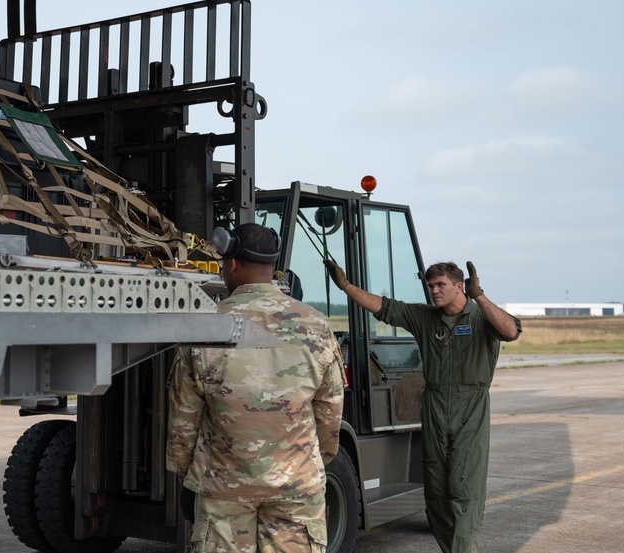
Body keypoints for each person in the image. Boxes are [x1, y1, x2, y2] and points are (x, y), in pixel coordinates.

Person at [166, 223, 345, 553]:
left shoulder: (205, 327)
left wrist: (189, 477)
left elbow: (183, 424)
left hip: (223, 490)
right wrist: (308, 463)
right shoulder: (317, 325)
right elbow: (330, 411)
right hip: (296, 485)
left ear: (231, 264)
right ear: (271, 265)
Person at [324, 258, 520, 553]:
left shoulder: (481, 318)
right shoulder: (426, 317)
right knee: (437, 494)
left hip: (471, 408)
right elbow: (386, 308)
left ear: (458, 286)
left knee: (464, 490)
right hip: (434, 408)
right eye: (431, 286)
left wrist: (479, 296)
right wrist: (346, 286)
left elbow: (510, 331)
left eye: (440, 285)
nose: (434, 291)